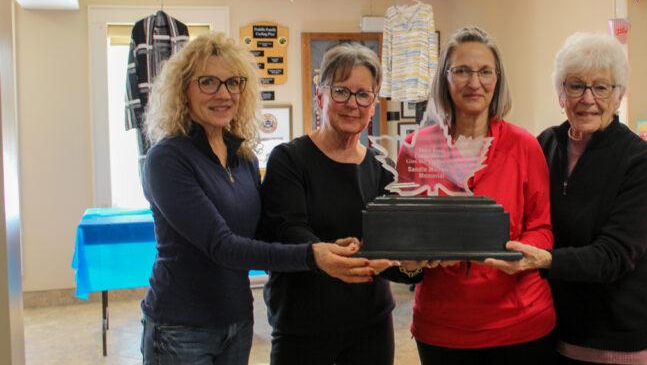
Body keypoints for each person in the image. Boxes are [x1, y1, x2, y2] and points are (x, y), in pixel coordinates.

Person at [139, 32, 370, 365]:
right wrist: (312, 255)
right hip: (180, 326)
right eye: (208, 82)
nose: (224, 94)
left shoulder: (243, 157)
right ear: (183, 90)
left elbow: (261, 234)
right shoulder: (167, 159)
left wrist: (332, 246)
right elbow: (223, 246)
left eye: (233, 83)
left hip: (237, 321)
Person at [487, 31, 647, 364]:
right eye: (575, 86)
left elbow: (616, 254)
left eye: (601, 87)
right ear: (561, 93)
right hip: (556, 328)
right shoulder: (544, 146)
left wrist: (545, 260)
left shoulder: (639, 159)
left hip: (620, 337)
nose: (588, 99)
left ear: (619, 95)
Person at [397, 27, 557, 364]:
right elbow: (405, 233)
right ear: (445, 78)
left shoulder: (524, 146)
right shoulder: (415, 149)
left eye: (485, 72)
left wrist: (519, 254)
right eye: (462, 71)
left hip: (520, 323)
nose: (475, 83)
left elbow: (542, 228)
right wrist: (411, 261)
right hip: (442, 328)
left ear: (497, 79)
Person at [260, 42, 414, 365]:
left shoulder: (381, 168)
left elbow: (391, 250)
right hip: (303, 329)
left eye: (363, 95)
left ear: (373, 104)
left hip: (370, 327)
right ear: (320, 97)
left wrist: (412, 265)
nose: (352, 104)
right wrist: (331, 257)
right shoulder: (289, 160)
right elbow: (287, 232)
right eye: (341, 92)